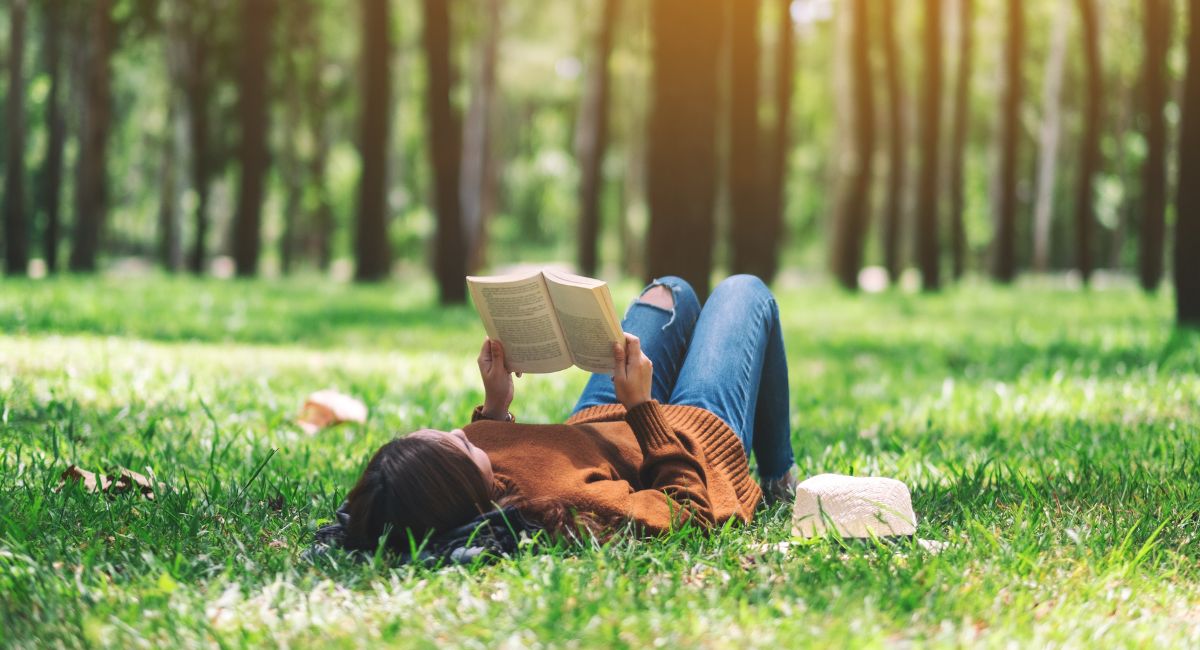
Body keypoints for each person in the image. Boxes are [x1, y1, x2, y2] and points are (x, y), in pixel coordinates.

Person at [341, 275, 797, 553]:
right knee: (744, 291)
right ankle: (779, 478)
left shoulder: (467, 479)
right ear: (461, 487)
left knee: (669, 291)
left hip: (601, 418)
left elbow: (492, 453)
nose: (464, 433)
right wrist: (641, 407)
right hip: (690, 437)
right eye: (461, 444)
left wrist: (496, 407)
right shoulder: (567, 507)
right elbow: (689, 514)